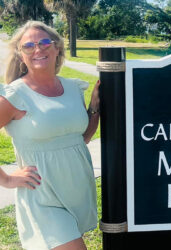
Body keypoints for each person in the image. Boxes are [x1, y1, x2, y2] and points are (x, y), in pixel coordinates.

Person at [0, 20, 100, 250]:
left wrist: (94, 107)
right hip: (43, 199)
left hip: (76, 191)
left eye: (45, 42)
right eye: (29, 46)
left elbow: (79, 138)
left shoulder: (73, 88)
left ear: (57, 48)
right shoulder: (14, 95)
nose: (38, 49)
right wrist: (6, 180)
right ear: (20, 55)